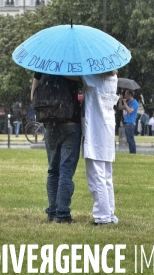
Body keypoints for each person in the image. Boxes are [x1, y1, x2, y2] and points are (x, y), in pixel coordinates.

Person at [31, 72, 81, 223]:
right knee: (66, 170)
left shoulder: (43, 65)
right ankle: (62, 213)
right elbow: (85, 84)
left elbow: (32, 97)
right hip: (70, 121)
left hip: (49, 123)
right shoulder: (73, 65)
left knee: (53, 170)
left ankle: (52, 211)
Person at [82, 70, 119, 225]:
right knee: (106, 176)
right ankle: (110, 213)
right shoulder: (113, 78)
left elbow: (74, 74)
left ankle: (102, 215)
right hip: (108, 128)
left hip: (95, 131)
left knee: (96, 176)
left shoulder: (93, 78)